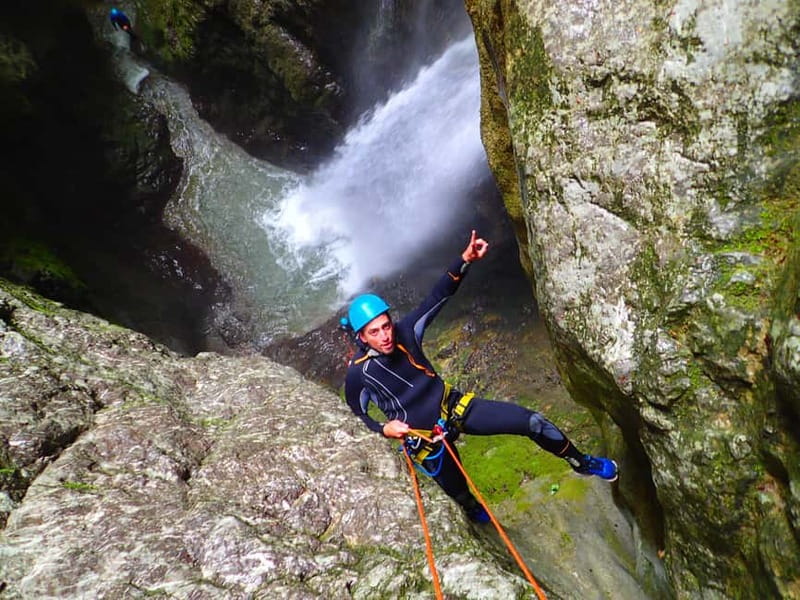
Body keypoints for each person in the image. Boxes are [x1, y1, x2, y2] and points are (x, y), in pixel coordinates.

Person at [342, 230, 618, 523]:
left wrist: (465, 260)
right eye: (375, 332)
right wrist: (384, 428)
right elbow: (356, 417)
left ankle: (581, 462)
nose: (385, 335)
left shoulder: (406, 333)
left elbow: (438, 296)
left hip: (454, 408)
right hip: (426, 441)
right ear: (361, 336)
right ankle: (475, 512)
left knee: (533, 422)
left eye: (386, 326)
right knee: (460, 494)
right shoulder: (359, 375)